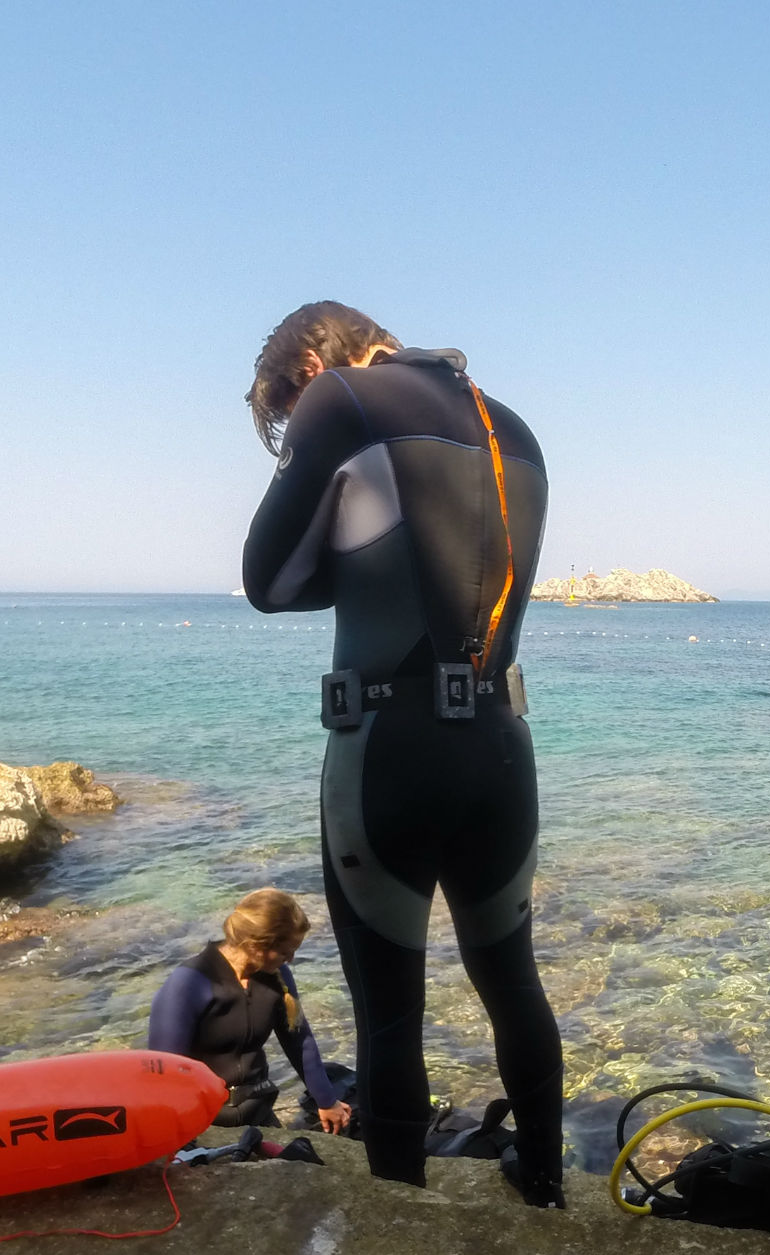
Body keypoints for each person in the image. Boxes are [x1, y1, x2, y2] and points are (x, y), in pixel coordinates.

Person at [239, 301, 566, 1207]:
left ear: (310, 358)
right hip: (504, 750)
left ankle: (397, 1224)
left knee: (391, 1016)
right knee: (514, 984)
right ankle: (544, 1186)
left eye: (287, 398)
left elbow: (270, 580)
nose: (294, 414)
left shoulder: (338, 399)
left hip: (388, 748)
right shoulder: (518, 430)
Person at [147, 888, 352, 1132]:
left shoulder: (277, 977)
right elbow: (164, 1071)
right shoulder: (190, 982)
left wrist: (326, 1100)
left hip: (259, 1109)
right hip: (205, 1118)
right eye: (286, 952)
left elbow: (300, 1041)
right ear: (256, 945)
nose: (291, 960)